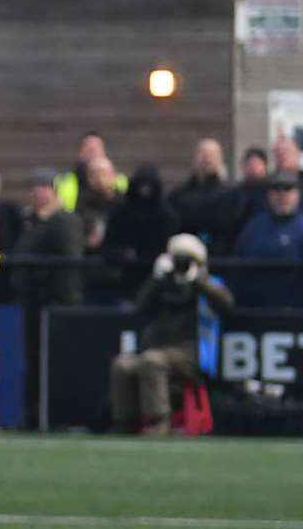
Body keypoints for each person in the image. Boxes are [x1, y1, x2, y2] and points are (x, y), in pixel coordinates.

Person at [109, 234, 232, 436]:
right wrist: (157, 279)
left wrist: (198, 280)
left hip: (191, 353)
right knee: (122, 364)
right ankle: (126, 422)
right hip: (158, 350)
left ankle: (158, 421)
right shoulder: (163, 284)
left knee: (152, 360)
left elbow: (226, 304)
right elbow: (140, 307)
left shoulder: (209, 284)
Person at [232, 171, 303, 308]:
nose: (282, 196)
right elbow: (238, 263)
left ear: (297, 195)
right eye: (277, 190)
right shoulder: (254, 226)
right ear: (269, 195)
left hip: (293, 311)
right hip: (254, 308)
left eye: (288, 190)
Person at [101, 163, 177, 298]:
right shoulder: (121, 214)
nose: (145, 192)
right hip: (124, 278)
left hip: (156, 279)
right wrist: (123, 254)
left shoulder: (165, 215)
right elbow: (109, 246)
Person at [13, 169, 86, 304]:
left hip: (57, 296)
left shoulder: (66, 220)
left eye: (44, 187)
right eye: (34, 187)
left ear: (55, 191)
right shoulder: (27, 219)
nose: (38, 192)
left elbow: (71, 257)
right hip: (30, 295)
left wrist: (42, 220)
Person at [167, 138, 239, 255]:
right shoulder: (179, 195)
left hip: (222, 260)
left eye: (212, 154)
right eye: (203, 153)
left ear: (220, 159)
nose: (207, 158)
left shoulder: (232, 195)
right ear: (194, 158)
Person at [54, 130, 125, 212]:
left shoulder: (122, 181)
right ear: (80, 152)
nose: (92, 151)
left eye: (97, 147)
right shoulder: (65, 181)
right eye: (87, 147)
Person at [76, 155, 123, 252]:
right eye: (94, 173)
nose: (100, 178)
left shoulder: (125, 201)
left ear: (114, 175)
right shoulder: (82, 204)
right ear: (88, 178)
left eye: (103, 173)